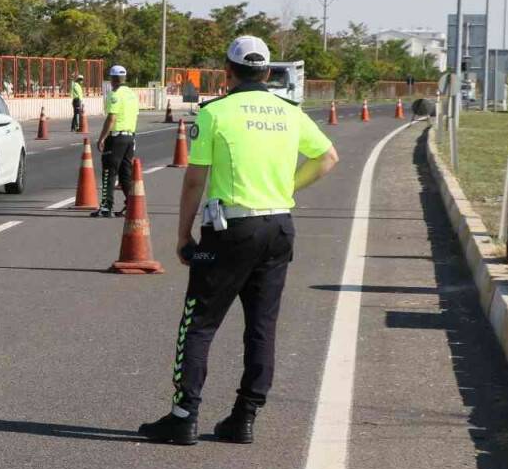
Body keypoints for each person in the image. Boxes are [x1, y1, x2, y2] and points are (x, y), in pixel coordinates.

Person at [138, 35, 339, 446]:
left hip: (231, 229)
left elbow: (196, 178)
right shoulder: (289, 112)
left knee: (199, 323)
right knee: (262, 326)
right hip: (278, 226)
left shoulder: (216, 112)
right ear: (266, 72)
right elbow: (328, 157)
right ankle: (244, 417)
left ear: (227, 72)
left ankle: (183, 416)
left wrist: (182, 234)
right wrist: (288, 189)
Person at [91, 65, 137, 218]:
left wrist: (102, 137)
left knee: (109, 172)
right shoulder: (131, 94)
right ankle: (132, 205)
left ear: (113, 79)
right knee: (125, 174)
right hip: (130, 137)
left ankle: (106, 207)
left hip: (116, 137)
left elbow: (112, 117)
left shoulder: (115, 94)